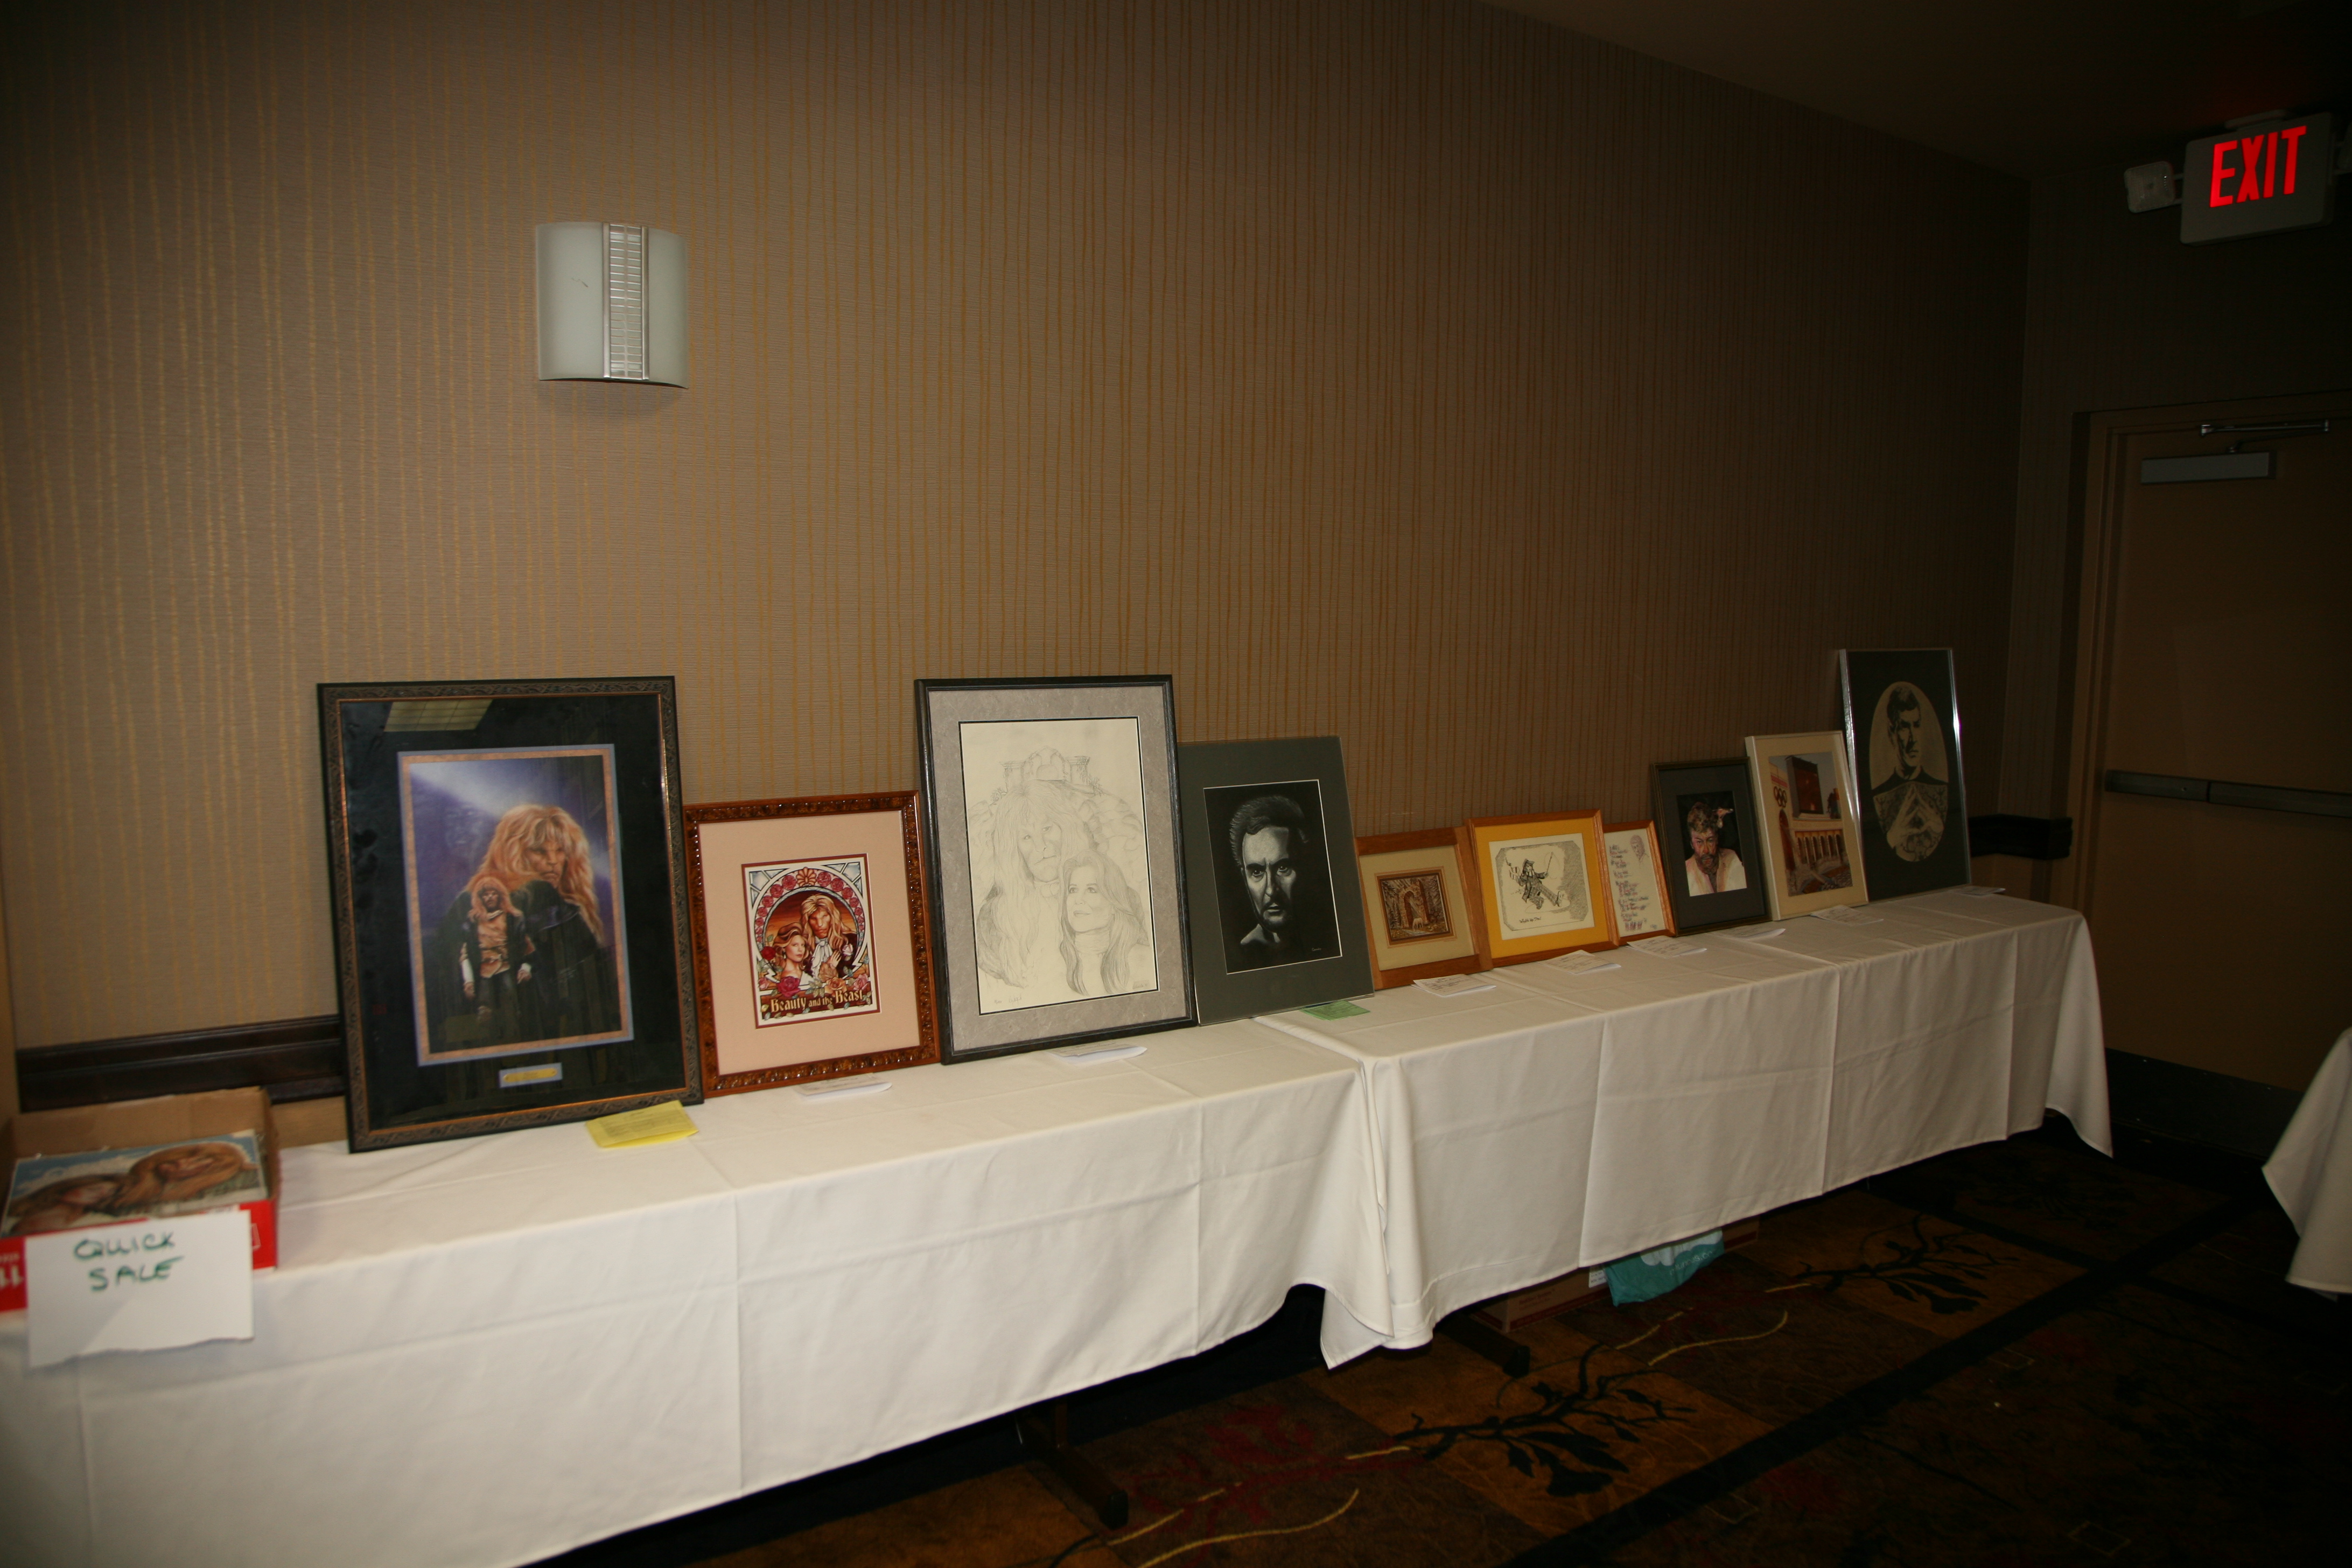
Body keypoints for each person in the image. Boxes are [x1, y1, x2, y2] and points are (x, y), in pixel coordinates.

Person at [1225, 794, 1333, 970]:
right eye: (1257, 872)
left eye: (1283, 868)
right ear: (1245, 877)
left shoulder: (1332, 940)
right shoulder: (1244, 956)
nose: (1271, 890)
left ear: (1305, 867)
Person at [1056, 852, 1153, 997]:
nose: (1078, 899)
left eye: (1091, 890)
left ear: (1114, 904)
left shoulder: (1143, 959)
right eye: (1073, 890)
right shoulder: (1054, 962)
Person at [1871, 685, 1949, 862]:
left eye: (1917, 725)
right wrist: (1892, 838)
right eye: (1905, 727)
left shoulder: (1942, 791)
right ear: (1892, 732)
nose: (1913, 739)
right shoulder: (1877, 797)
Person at [113, 1142, 258, 1210]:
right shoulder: (127, 1184)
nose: (181, 1162)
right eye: (190, 1155)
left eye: (199, 1162)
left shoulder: (170, 1200)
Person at [6, 1174, 125, 1235]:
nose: (101, 1195)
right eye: (93, 1189)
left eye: (110, 1192)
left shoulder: (99, 1219)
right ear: (69, 1189)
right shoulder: (30, 1220)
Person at [1683, 801, 1747, 895]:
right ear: (1692, 844)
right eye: (1699, 842)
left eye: (1710, 841)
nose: (1706, 850)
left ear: (1717, 839)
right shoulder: (1686, 873)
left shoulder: (1733, 860)